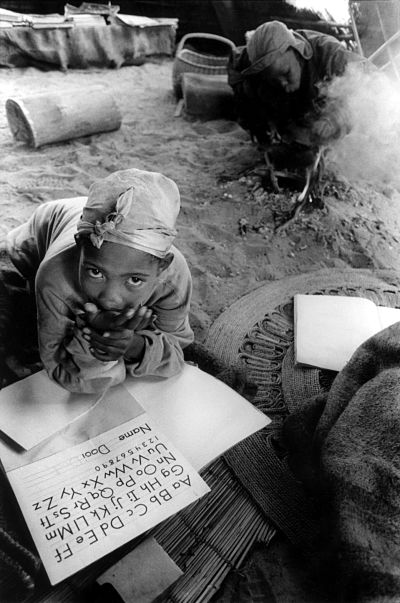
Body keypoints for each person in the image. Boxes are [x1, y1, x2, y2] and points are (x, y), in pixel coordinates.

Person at [5, 168, 194, 394]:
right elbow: (57, 367)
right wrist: (93, 337)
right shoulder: (54, 278)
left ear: (162, 267)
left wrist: (133, 345)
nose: (111, 299)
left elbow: (179, 345)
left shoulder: (173, 277)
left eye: (134, 279)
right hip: (37, 233)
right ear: (80, 247)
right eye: (95, 272)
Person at [228, 20, 367, 171]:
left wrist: (336, 118)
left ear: (297, 51)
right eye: (274, 80)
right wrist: (261, 133)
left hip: (323, 114)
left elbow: (367, 89)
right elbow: (235, 67)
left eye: (286, 73)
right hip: (290, 116)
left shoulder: (330, 54)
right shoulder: (249, 61)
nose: (283, 84)